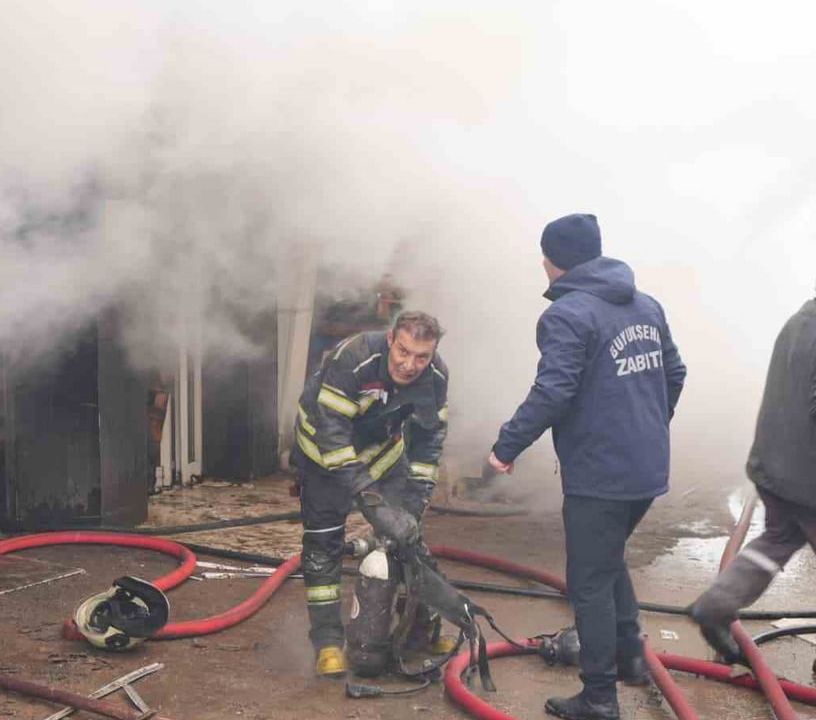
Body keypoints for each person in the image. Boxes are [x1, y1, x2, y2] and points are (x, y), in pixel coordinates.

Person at [488, 214, 687, 720]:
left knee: (589, 583)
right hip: (646, 469)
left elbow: (554, 391)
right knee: (608, 558)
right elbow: (675, 372)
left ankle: (599, 697)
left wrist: (506, 447)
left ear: (551, 263)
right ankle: (632, 659)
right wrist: (648, 428)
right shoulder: (646, 305)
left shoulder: (567, 315)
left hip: (602, 475)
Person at [292, 310, 451, 677]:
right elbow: (331, 433)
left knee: (408, 540)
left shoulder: (436, 375)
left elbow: (429, 440)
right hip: (326, 460)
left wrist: (415, 502)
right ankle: (328, 643)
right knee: (322, 548)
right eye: (404, 352)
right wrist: (370, 500)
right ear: (391, 338)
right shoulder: (354, 358)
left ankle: (421, 631)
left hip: (383, 456)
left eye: (422, 357)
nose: (411, 365)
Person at [690, 294, 816, 662]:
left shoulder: (800, 319)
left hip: (774, 468)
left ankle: (715, 606)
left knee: (776, 541)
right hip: (809, 481)